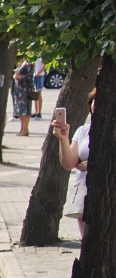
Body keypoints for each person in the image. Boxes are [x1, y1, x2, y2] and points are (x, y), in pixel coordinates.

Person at [55, 89, 96, 239]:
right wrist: (63, 139)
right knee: (88, 242)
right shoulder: (83, 131)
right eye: (93, 101)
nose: (95, 104)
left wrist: (91, 165)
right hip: (85, 193)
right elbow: (69, 163)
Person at [12, 59, 34, 136]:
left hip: (26, 90)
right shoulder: (22, 62)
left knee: (26, 110)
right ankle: (22, 128)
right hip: (19, 90)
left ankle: (25, 129)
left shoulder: (30, 63)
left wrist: (20, 76)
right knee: (21, 110)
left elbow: (31, 76)